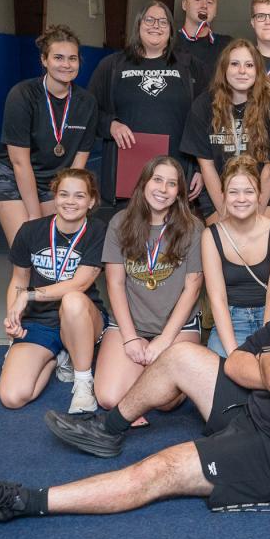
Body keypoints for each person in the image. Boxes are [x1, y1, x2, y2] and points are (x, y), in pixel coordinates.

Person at [0, 227, 270, 520]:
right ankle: (108, 429)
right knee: (181, 355)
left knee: (161, 470)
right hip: (258, 411)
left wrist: (269, 364)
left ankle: (22, 500)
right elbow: (237, 362)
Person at [96, 157, 204, 415]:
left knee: (165, 402)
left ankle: (145, 372)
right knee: (109, 399)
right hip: (131, 323)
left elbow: (193, 288)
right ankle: (143, 370)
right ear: (144, 183)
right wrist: (131, 337)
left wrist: (164, 341)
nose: (162, 189)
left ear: (179, 192)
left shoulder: (193, 227)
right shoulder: (120, 222)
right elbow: (115, 282)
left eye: (171, 184)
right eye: (157, 180)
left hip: (177, 327)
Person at [0, 168, 106, 414]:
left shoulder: (98, 231)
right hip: (40, 321)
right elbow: (18, 279)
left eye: (79, 196)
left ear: (91, 201)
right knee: (12, 397)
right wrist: (13, 319)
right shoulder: (30, 230)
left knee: (73, 300)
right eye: (64, 194)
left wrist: (28, 295)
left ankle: (82, 383)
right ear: (55, 197)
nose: (70, 202)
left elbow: (79, 284)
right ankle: (55, 356)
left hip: (83, 318)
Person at [0, 25, 98, 247]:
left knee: (55, 251)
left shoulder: (87, 102)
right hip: (15, 176)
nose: (66, 64)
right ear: (44, 59)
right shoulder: (22, 95)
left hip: (55, 180)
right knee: (28, 249)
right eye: (58, 57)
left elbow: (78, 165)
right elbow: (19, 162)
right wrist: (34, 215)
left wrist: (72, 198)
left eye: (72, 58)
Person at [87, 0, 202, 204]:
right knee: (130, 232)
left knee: (173, 233)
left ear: (171, 29)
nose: (155, 26)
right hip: (127, 174)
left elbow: (207, 119)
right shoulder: (112, 66)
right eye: (149, 20)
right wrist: (110, 125)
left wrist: (201, 169)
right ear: (138, 24)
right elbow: (89, 110)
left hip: (177, 172)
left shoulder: (189, 66)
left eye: (162, 21)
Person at [180, 39, 270, 222]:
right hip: (220, 191)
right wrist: (225, 212)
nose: (242, 71)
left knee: (262, 242)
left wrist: (256, 215)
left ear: (258, 71)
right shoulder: (203, 105)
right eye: (234, 64)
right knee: (226, 242)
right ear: (224, 69)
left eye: (249, 65)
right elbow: (207, 166)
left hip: (266, 193)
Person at [202, 156, 270, 356]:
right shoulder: (211, 236)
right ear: (223, 195)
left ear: (259, 194)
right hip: (231, 320)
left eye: (249, 191)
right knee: (221, 377)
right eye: (233, 192)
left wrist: (266, 346)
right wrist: (235, 354)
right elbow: (217, 298)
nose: (241, 199)